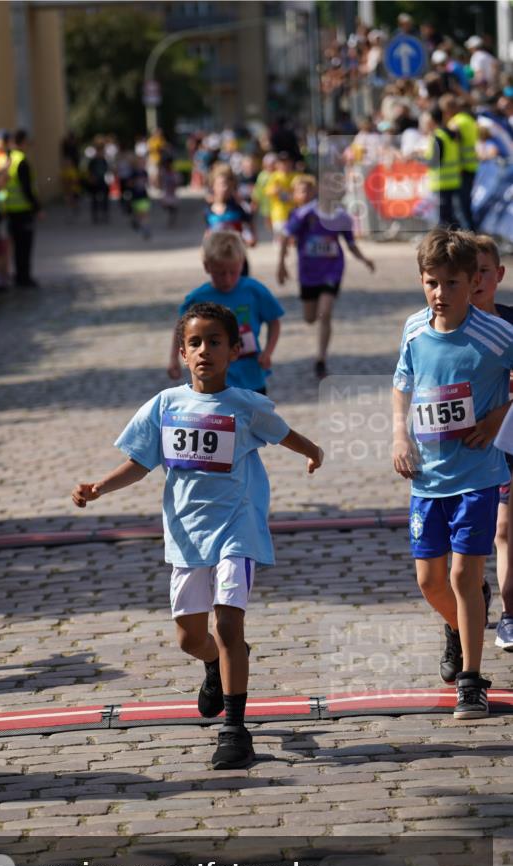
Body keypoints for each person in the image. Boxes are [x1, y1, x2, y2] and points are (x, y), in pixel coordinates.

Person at [72, 301, 323, 769]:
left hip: (237, 528)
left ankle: (235, 729)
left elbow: (284, 432)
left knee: (229, 623)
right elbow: (141, 461)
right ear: (182, 354)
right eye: (194, 343)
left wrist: (313, 451)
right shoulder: (165, 406)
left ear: (234, 351)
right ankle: (215, 663)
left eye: (214, 342)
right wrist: (99, 487)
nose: (204, 350)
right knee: (191, 637)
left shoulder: (245, 405)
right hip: (187, 534)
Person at [392, 228, 513, 719]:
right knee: (430, 582)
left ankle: (471, 680)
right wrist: (400, 437)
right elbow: (402, 384)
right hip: (427, 477)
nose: (440, 294)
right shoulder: (415, 330)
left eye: (451, 283)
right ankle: (464, 625)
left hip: (478, 476)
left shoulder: (497, 334)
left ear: (474, 283)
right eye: (431, 283)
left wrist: (498, 415)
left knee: (464, 575)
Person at [276, 174, 374, 380]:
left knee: (325, 312)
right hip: (308, 272)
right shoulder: (304, 214)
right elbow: (286, 235)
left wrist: (364, 259)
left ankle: (320, 359)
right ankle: (319, 348)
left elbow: (350, 244)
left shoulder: (342, 217)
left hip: (332, 270)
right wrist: (281, 264)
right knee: (310, 318)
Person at [168, 231, 284, 396]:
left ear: (242, 264)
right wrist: (174, 359)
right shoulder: (198, 298)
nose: (227, 279)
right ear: (207, 266)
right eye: (220, 273)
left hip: (250, 377)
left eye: (233, 272)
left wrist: (268, 352)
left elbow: (274, 321)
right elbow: (181, 329)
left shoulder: (254, 291)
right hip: (211, 379)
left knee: (253, 421)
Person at [471, 235, 513, 649]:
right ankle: (475, 587)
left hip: (506, 445)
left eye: (485, 271)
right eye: (471, 272)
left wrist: (499, 414)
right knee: (468, 536)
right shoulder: (443, 326)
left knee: (503, 530)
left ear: (498, 275)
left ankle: (510, 614)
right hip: (461, 448)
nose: (477, 279)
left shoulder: (510, 324)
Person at [0, 129, 41, 288]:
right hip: (23, 209)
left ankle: (18, 275)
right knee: (25, 246)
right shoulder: (21, 160)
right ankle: (24, 277)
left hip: (9, 209)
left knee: (15, 245)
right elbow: (26, 188)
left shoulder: (6, 158)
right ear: (23, 142)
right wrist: (37, 208)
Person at [439, 94, 478, 230]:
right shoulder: (469, 120)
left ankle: (469, 240)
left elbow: (456, 144)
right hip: (472, 166)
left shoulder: (456, 123)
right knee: (465, 206)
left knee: (461, 208)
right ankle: (471, 236)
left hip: (461, 168)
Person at [425, 104, 461, 229]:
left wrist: (420, 159)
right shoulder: (450, 134)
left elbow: (434, 162)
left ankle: (447, 246)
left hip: (441, 183)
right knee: (450, 217)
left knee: (444, 220)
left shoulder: (438, 137)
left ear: (431, 119)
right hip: (453, 181)